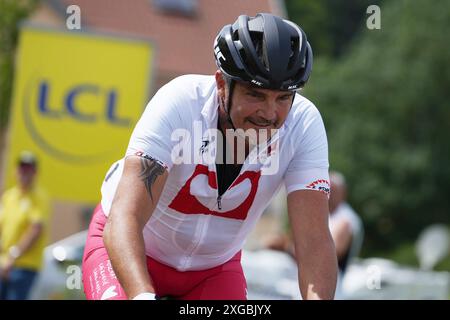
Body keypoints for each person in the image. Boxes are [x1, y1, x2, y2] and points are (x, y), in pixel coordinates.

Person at [82, 13, 338, 300]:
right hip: (132, 248)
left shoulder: (303, 124)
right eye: (255, 95)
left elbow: (314, 241)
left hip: (214, 270)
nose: (269, 113)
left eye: (282, 98)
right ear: (221, 84)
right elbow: (126, 216)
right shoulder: (179, 102)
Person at [0, 151, 50, 300]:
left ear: (35, 173)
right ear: (16, 171)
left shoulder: (39, 197)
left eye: (29, 169)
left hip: (24, 267)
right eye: (22, 168)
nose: (24, 173)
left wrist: (13, 256)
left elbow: (35, 229)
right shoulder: (9, 196)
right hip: (4, 263)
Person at [328, 171, 364, 299]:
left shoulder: (346, 219)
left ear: (343, 192)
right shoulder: (327, 216)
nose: (329, 194)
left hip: (335, 287)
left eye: (332, 190)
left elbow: (333, 253)